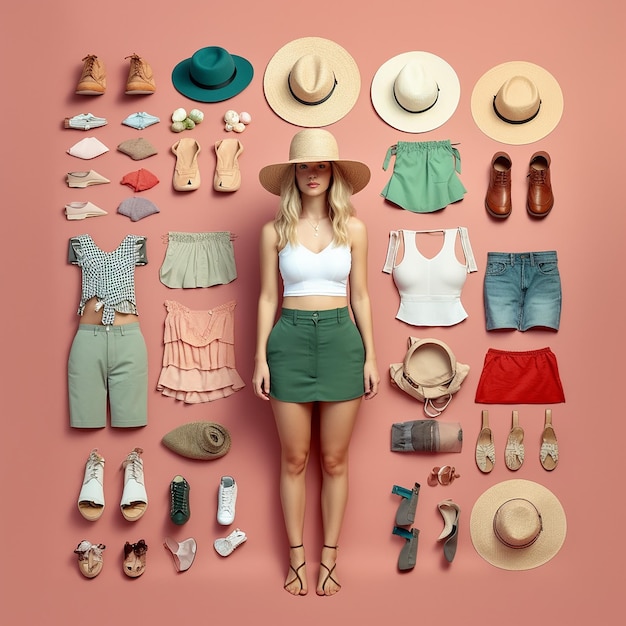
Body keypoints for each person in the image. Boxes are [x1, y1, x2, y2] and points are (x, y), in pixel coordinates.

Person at [253, 129, 379, 596]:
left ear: (333, 174)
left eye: (321, 166)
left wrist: (371, 356)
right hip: (288, 340)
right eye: (304, 166)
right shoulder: (274, 231)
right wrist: (260, 357)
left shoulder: (355, 228)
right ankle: (296, 561)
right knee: (293, 457)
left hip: (342, 342)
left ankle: (329, 560)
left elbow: (362, 296)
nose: (312, 174)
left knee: (334, 459)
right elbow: (268, 296)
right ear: (293, 174)